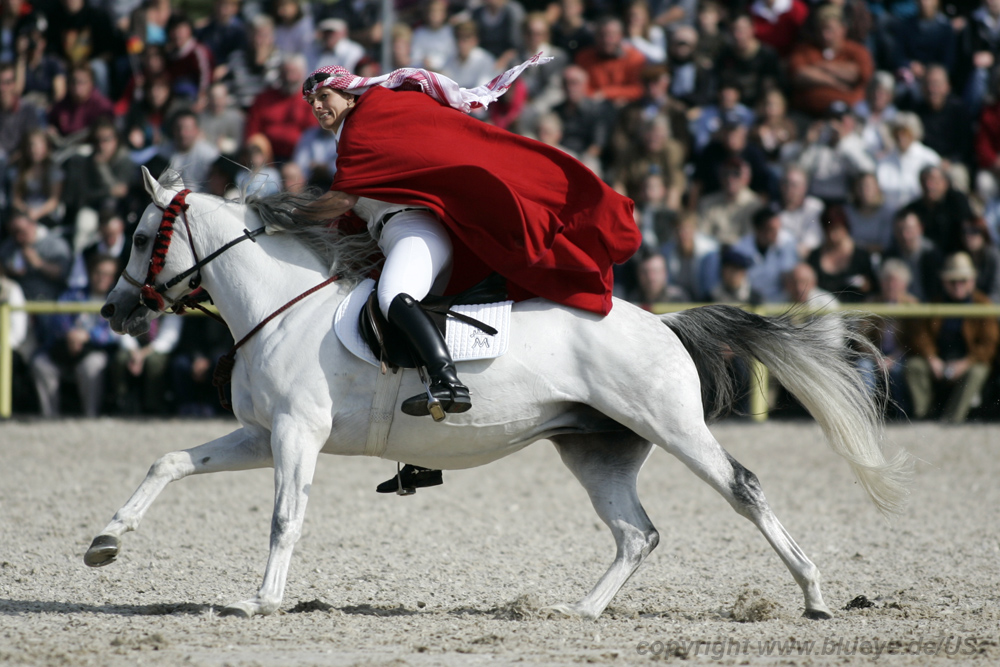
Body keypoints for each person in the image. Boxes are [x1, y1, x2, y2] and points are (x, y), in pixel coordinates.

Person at [299, 56, 641, 418]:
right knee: (384, 315)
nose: (318, 106)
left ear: (350, 95)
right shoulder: (356, 134)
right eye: (311, 103)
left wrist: (287, 216)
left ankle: (447, 382)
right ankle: (421, 458)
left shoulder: (364, 126)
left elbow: (341, 200)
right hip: (400, 235)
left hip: (411, 231)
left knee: (393, 297)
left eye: (325, 96)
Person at [903, 252, 1000, 422]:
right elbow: (921, 336)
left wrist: (966, 363)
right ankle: (923, 415)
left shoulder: (984, 305)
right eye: (952, 281)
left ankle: (953, 419)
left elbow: (989, 344)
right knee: (914, 365)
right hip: (939, 362)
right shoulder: (935, 303)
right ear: (944, 282)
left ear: (972, 281)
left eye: (962, 280)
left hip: (967, 362)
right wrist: (932, 358)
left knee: (978, 371)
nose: (957, 286)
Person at [30, 254, 122, 417]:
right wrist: (70, 334)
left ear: (113, 278)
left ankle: (90, 416)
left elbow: (117, 332)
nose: (102, 278)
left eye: (107, 274)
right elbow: (57, 318)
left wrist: (87, 336)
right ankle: (49, 417)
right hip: (64, 347)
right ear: (90, 273)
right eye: (98, 272)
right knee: (40, 364)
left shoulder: (118, 300)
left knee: (92, 365)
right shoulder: (73, 294)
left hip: (94, 351)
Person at [806, 204, 878, 303]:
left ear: (845, 227)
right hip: (824, 315)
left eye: (836, 229)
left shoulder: (862, 257)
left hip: (857, 314)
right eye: (828, 231)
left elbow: (873, 289)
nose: (832, 236)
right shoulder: (814, 257)